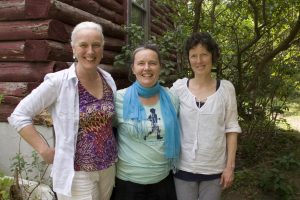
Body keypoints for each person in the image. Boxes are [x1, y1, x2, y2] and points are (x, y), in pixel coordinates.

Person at [8, 21, 117, 200]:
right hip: (76, 174)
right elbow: (20, 115)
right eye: (83, 45)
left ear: (102, 49)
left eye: (96, 45)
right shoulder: (59, 82)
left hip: (108, 167)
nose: (90, 51)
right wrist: (43, 149)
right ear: (73, 49)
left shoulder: (108, 79)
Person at [170, 32, 242, 200]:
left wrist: (229, 167)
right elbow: (164, 119)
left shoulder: (226, 89)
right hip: (183, 168)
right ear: (188, 58)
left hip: (214, 169)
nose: (199, 60)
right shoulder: (179, 89)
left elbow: (231, 129)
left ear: (213, 56)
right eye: (193, 55)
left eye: (204, 55)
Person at [112, 44, 180, 200]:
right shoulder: (118, 99)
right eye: (141, 63)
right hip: (128, 184)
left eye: (153, 63)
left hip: (163, 181)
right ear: (133, 68)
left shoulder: (172, 99)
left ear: (160, 67)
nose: (147, 68)